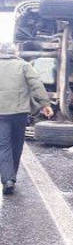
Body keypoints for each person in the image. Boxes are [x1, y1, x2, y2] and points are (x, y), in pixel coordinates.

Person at [0, 42, 53, 195]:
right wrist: (45, 104)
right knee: (17, 144)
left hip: (1, 113)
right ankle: (11, 177)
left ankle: (7, 178)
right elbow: (36, 85)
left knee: (3, 146)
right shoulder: (24, 65)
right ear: (15, 51)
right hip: (19, 112)